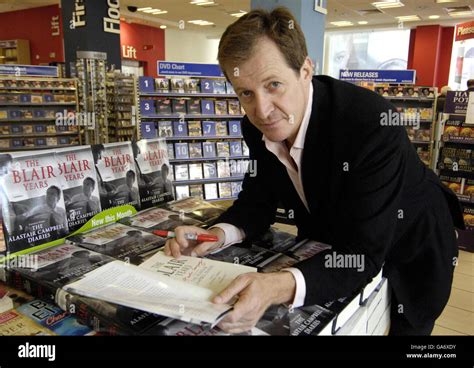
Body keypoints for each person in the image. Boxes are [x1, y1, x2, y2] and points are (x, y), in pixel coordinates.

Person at [164, 7, 463, 336]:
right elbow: (257, 200)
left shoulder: (369, 123)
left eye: (273, 85)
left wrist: (277, 287)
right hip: (341, 246)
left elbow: (362, 254)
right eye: (245, 93)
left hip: (412, 244)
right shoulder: (255, 128)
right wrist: (216, 235)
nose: (261, 110)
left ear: (305, 70)